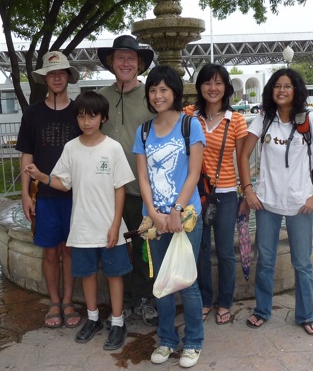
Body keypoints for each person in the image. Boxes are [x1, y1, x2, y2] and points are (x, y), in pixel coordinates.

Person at [24, 91, 135, 349]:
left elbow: (120, 188)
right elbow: (64, 183)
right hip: (82, 227)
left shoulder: (113, 148)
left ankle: (117, 322)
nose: (86, 122)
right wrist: (41, 176)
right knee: (87, 274)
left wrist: (116, 224)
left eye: (92, 116)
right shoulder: (71, 148)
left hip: (110, 227)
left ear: (103, 118)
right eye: (82, 116)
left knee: (114, 274)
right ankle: (93, 318)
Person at [240, 68, 313, 335]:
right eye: (277, 86)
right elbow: (244, 154)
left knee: (302, 263)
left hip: (300, 204)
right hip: (267, 203)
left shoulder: (310, 119)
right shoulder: (264, 119)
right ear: (271, 91)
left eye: (288, 86)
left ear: (296, 90)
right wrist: (248, 190)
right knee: (266, 261)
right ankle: (262, 310)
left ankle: (306, 314)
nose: (282, 90)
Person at [133, 65, 205, 368]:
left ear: (174, 92)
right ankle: (166, 339)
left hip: (185, 216)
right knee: (161, 281)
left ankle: (193, 341)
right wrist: (153, 212)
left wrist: (175, 211)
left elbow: (194, 173)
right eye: (152, 89)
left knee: (186, 281)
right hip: (155, 220)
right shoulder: (144, 130)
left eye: (163, 89)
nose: (157, 95)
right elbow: (143, 177)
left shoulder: (190, 125)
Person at [16, 51, 82, 329]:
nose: (57, 77)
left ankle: (68, 301)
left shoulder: (81, 112)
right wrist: (24, 195)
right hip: (44, 197)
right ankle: (54, 301)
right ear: (45, 78)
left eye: (61, 72)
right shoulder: (32, 113)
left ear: (68, 76)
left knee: (69, 251)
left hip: (76, 196)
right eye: (51, 73)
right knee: (50, 252)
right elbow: (26, 155)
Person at [98, 35, 159, 327]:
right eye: (120, 57)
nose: (125, 63)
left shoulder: (151, 96)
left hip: (140, 189)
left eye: (131, 58)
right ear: (111, 62)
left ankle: (145, 298)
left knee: (143, 247)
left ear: (140, 64)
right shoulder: (101, 98)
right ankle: (123, 302)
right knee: (114, 247)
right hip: (106, 192)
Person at [190, 64, 248, 325]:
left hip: (225, 194)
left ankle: (225, 301)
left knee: (225, 250)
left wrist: (245, 192)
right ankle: (204, 300)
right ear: (199, 87)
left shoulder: (235, 120)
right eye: (207, 83)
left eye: (218, 83)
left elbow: (243, 158)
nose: (212, 88)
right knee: (201, 249)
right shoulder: (188, 115)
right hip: (197, 194)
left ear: (226, 87)